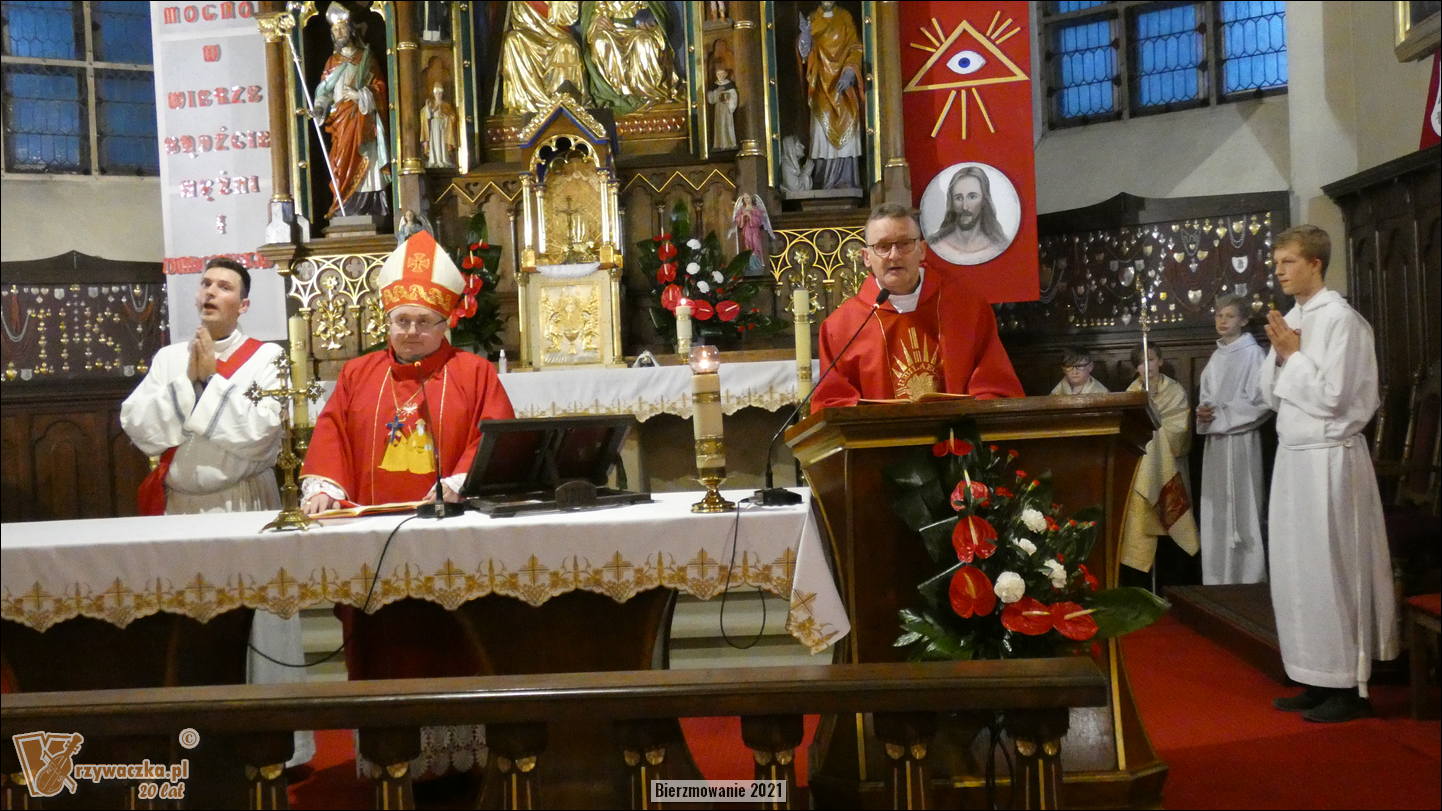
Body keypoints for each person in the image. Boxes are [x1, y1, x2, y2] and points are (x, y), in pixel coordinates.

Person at [298, 230, 515, 778]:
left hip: (451, 539)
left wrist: (459, 482)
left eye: (424, 322)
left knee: (452, 639)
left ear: (446, 323)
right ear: (388, 321)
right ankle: (390, 754)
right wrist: (325, 486)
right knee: (385, 644)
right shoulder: (358, 373)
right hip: (374, 543)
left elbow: (494, 436)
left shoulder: (474, 373)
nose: (412, 331)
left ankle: (461, 761)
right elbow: (332, 432)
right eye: (402, 321)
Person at [119, 256, 313, 770]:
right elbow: (138, 426)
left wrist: (208, 385)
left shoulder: (267, 358)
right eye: (205, 283)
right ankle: (199, 745)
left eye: (224, 286)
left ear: (243, 304)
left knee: (259, 628)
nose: (210, 292)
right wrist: (190, 383)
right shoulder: (169, 358)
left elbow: (260, 436)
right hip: (183, 509)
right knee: (190, 628)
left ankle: (274, 746)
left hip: (245, 504)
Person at [1258, 225, 1397, 723]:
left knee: (1333, 568)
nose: (1279, 271)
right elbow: (1270, 395)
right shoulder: (1294, 318)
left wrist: (1293, 357)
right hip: (1294, 456)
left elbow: (1337, 397)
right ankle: (1315, 675)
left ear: (1315, 263)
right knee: (1298, 572)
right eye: (1277, 263)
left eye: (1289, 262)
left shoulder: (1342, 320)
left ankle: (1348, 685)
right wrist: (1283, 360)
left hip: (1330, 458)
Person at [810, 203, 1022, 411]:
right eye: (883, 247)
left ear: (922, 250)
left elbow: (994, 386)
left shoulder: (967, 310)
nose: (894, 255)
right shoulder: (841, 328)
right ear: (866, 257)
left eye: (904, 244)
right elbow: (833, 405)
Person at [1196, 294, 1269, 585]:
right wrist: (1203, 413)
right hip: (1216, 445)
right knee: (1216, 509)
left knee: (1244, 506)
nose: (1222, 321)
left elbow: (1262, 401)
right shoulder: (1216, 357)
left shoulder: (1254, 354)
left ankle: (1248, 577)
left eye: (1229, 316)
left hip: (1241, 442)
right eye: (1218, 315)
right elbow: (1206, 398)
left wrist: (1221, 417)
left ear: (1244, 320)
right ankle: (1216, 578)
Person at [1119, 343, 1199, 574]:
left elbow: (1179, 430)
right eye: (1141, 363)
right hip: (1141, 471)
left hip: (1170, 468)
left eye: (1151, 360)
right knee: (1141, 523)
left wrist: (1155, 431)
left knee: (1169, 525)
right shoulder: (1130, 394)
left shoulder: (1174, 391)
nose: (1146, 367)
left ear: (1161, 361)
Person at [311, 2, 390, 217]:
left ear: (351, 30)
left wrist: (359, 95)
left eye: (342, 28)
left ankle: (370, 205)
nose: (339, 33)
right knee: (340, 161)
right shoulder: (332, 61)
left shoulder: (366, 58)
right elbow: (324, 91)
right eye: (335, 30)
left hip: (362, 121)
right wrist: (319, 108)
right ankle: (344, 204)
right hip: (341, 121)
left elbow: (380, 88)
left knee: (366, 160)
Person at [797, 0, 864, 190]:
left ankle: (846, 180)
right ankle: (823, 181)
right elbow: (804, 54)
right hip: (821, 86)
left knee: (847, 133)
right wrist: (805, 35)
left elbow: (855, 47)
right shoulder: (812, 19)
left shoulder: (845, 17)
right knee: (822, 136)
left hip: (843, 87)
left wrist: (849, 72)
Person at [584, 1, 681, 113]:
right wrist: (596, 21)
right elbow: (589, 14)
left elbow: (659, 13)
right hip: (610, 30)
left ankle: (648, 93)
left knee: (644, 42)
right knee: (601, 42)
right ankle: (617, 94)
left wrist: (650, 21)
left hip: (639, 30)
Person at [499, 0, 591, 114]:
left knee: (568, 47)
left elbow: (569, 17)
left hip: (557, 35)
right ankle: (528, 108)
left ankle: (565, 107)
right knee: (513, 40)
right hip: (528, 34)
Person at [928, 166, 1009, 265]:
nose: (965, 207)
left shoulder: (998, 247)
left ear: (984, 200)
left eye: (972, 197)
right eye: (958, 198)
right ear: (951, 202)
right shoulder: (936, 245)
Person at [420, 82, 458, 169]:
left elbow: (452, 117)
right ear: (434, 94)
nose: (438, 95)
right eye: (437, 93)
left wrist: (445, 116)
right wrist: (428, 108)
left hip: (443, 126)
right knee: (435, 143)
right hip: (434, 126)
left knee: (442, 143)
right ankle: (434, 160)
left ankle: (443, 160)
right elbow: (426, 115)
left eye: (440, 93)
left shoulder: (446, 105)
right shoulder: (431, 104)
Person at [707, 67, 739, 151]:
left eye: (722, 74)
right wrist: (717, 92)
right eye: (718, 74)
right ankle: (719, 144)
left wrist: (729, 101)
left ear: (725, 75)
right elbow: (711, 99)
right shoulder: (715, 85)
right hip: (719, 108)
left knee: (728, 125)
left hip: (727, 108)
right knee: (719, 125)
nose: (720, 76)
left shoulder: (729, 84)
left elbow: (734, 96)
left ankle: (730, 144)